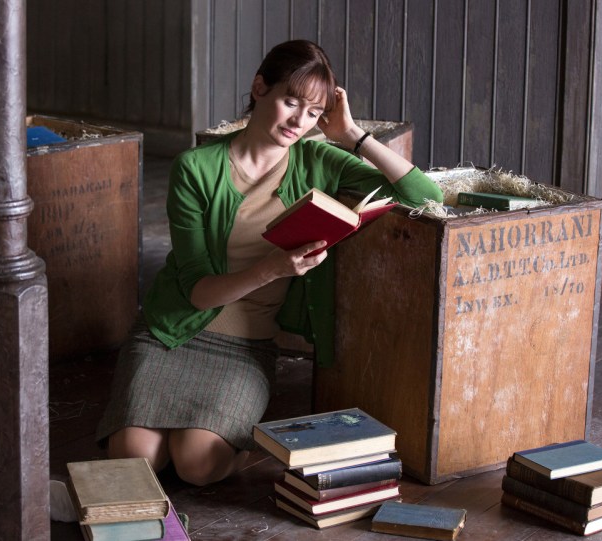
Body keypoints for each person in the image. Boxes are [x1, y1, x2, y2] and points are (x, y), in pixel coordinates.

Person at [95, 39, 443, 487]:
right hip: (173, 329)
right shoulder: (196, 168)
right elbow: (199, 290)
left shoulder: (318, 159)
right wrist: (273, 269)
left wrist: (351, 135)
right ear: (260, 88)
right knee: (134, 460)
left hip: (246, 345)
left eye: (315, 112)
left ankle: (242, 454)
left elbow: (426, 197)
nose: (300, 121)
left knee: (196, 465)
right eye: (291, 101)